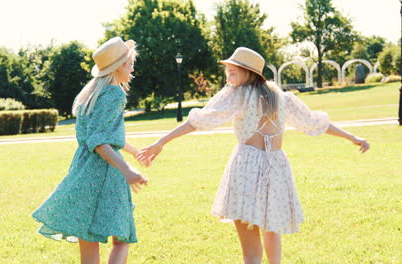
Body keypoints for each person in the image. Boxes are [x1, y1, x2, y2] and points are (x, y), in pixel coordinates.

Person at [137, 47, 369, 264]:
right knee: (271, 229)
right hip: (276, 165)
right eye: (228, 67)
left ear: (248, 72)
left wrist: (162, 141)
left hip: (247, 165)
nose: (228, 71)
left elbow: (199, 120)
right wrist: (352, 138)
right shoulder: (281, 97)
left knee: (251, 241)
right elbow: (314, 123)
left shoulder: (236, 94)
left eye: (233, 68)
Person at [32, 37, 149, 264]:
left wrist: (133, 151)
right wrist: (126, 169)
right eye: (129, 63)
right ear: (119, 66)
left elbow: (102, 134)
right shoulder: (115, 94)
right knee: (122, 238)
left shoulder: (89, 94)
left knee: (88, 240)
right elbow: (99, 140)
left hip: (83, 171)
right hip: (107, 171)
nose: (133, 68)